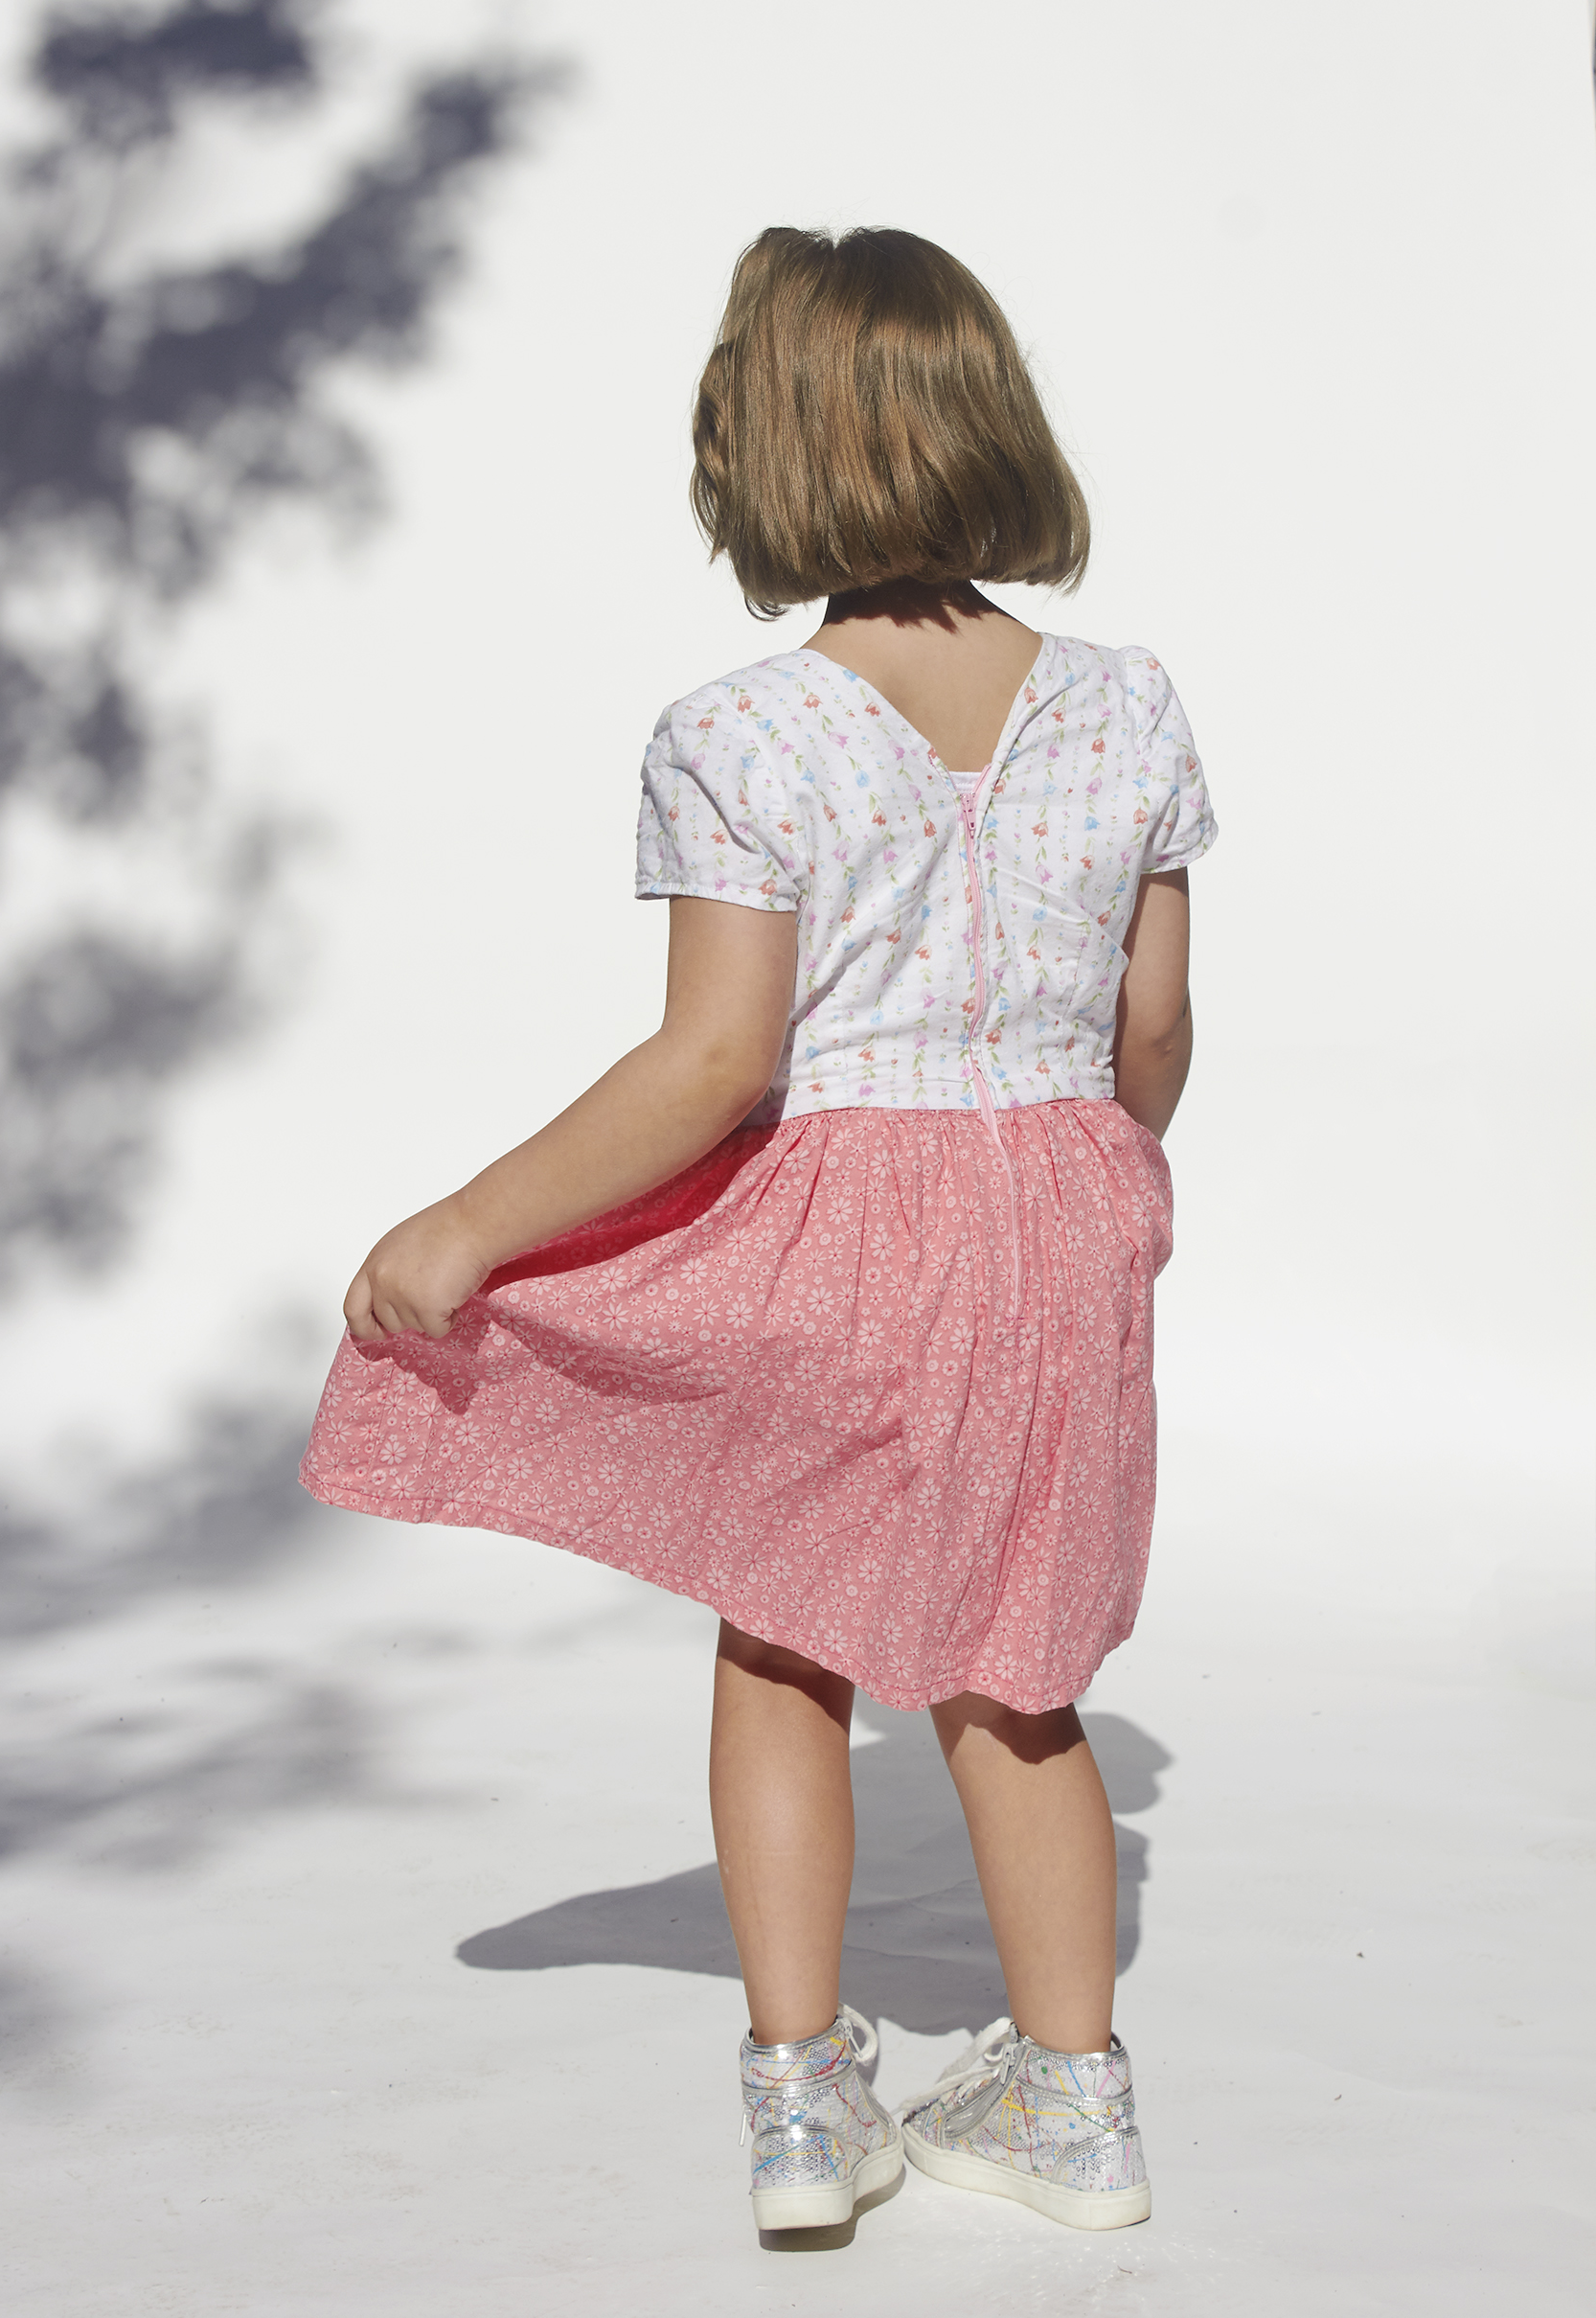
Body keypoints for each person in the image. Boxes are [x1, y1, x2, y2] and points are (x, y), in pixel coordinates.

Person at [300, 224, 1215, 2238]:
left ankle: (804, 2105)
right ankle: (1078, 2104)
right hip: (1063, 1207)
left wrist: (463, 1224)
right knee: (1017, 1668)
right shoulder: (1132, 706)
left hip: (842, 1222)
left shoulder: (742, 732)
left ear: (765, 452)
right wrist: (1083, 1180)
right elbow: (1152, 1030)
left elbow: (713, 1064)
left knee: (784, 1624)